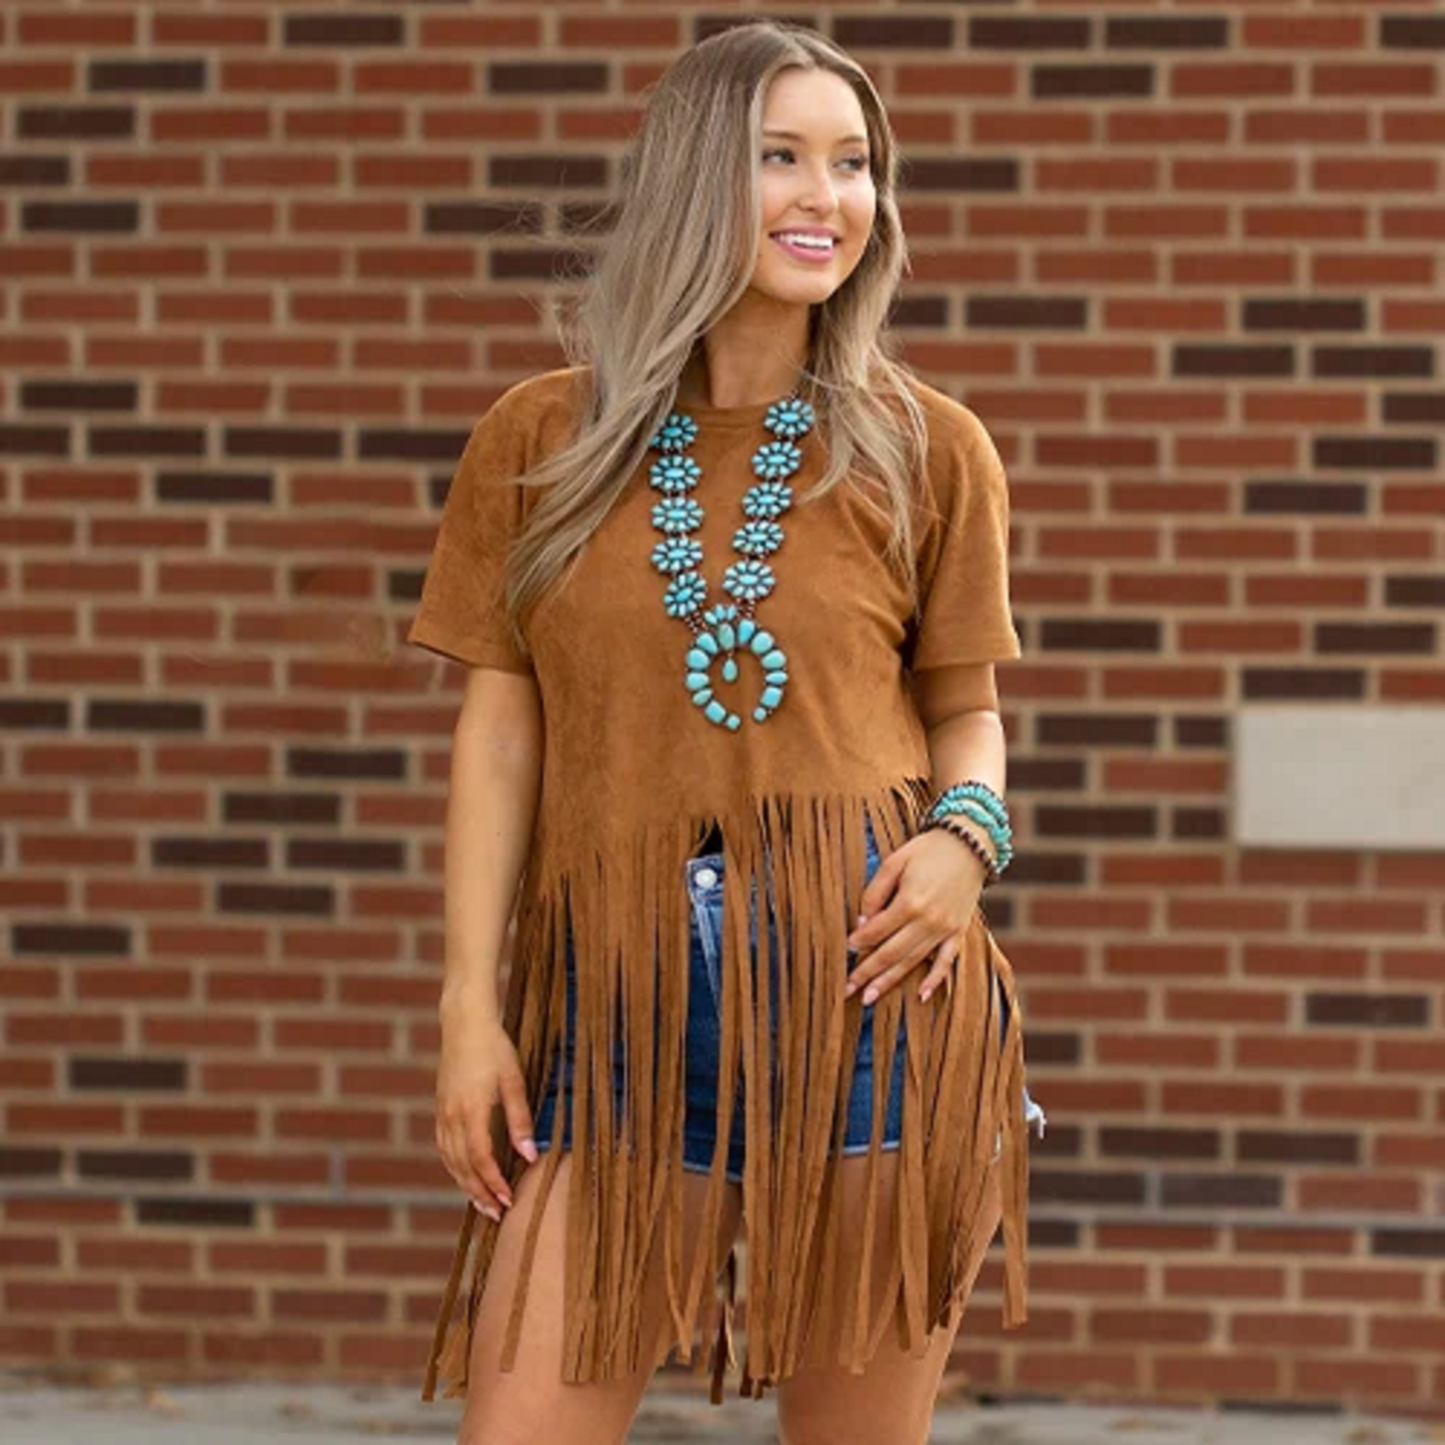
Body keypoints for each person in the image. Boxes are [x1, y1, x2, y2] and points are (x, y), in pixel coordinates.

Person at [406, 19, 1046, 1445]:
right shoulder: (542, 438)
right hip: (623, 1005)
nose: (827, 197)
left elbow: (969, 713)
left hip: (882, 997)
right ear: (699, 175)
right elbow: (500, 733)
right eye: (781, 158)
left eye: (853, 163)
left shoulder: (926, 444)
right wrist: (467, 1008)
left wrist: (964, 842)